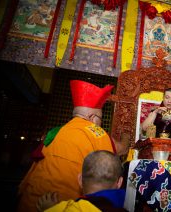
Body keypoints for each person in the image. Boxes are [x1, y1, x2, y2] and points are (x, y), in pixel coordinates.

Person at [17, 80, 120, 212]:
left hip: (30, 203)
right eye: (99, 118)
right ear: (93, 117)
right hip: (67, 207)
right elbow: (109, 167)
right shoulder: (97, 132)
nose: (99, 123)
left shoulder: (55, 131)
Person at [36, 150, 127, 212]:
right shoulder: (132, 206)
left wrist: (52, 209)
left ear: (80, 180)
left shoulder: (66, 209)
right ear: (119, 182)